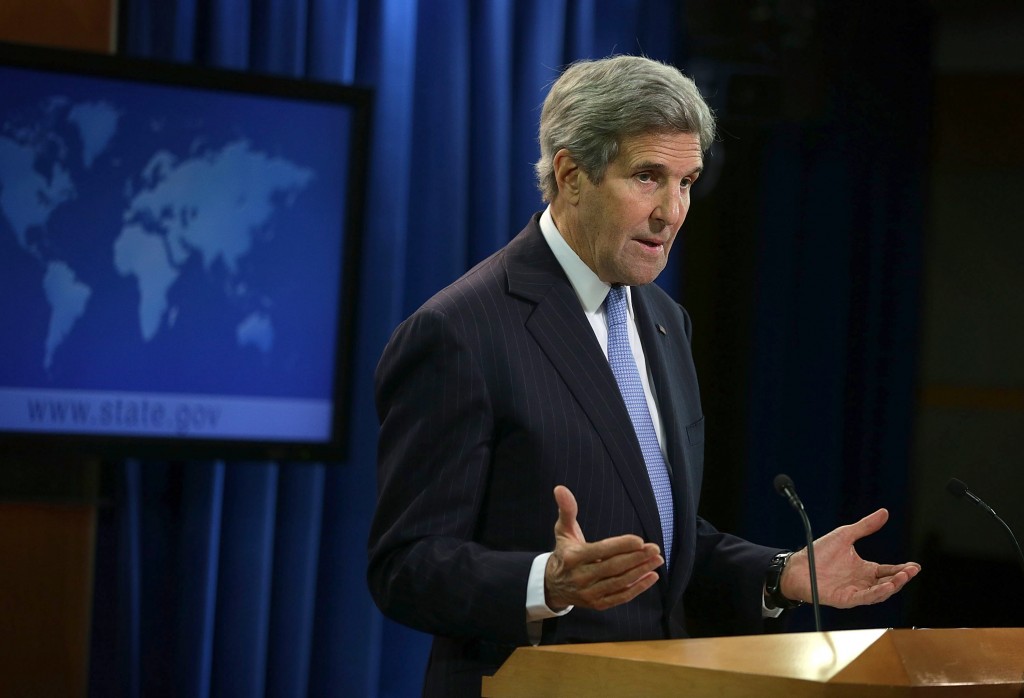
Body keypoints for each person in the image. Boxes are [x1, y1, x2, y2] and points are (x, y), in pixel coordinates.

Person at [367, 55, 920, 697]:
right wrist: (546, 582)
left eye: (687, 182)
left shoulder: (663, 320)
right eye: (648, 177)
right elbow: (405, 565)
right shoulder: (460, 331)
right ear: (571, 175)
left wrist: (780, 574)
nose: (672, 212)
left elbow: (659, 538)